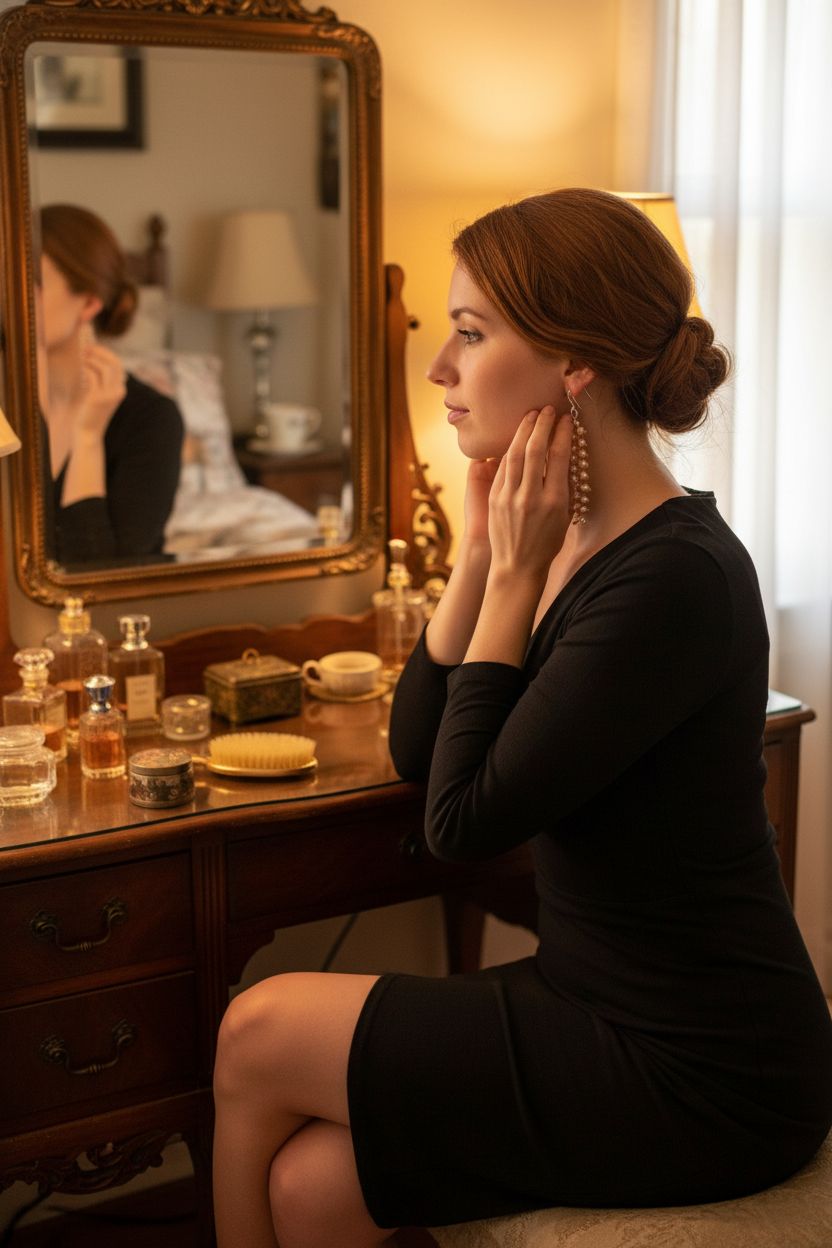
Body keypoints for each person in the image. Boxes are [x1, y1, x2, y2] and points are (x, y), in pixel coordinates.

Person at [211, 188, 832, 1248]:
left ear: (573, 363)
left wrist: (513, 574)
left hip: (703, 1060)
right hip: (591, 995)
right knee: (313, 1184)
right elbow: (421, 747)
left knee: (258, 1027)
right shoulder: (575, 540)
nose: (438, 371)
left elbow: (461, 824)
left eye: (468, 333)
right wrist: (486, 554)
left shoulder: (672, 578)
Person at [37, 203, 184, 565]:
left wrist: (87, 438)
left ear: (88, 303)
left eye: (35, 284)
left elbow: (108, 581)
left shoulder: (151, 420)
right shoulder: (9, 405)